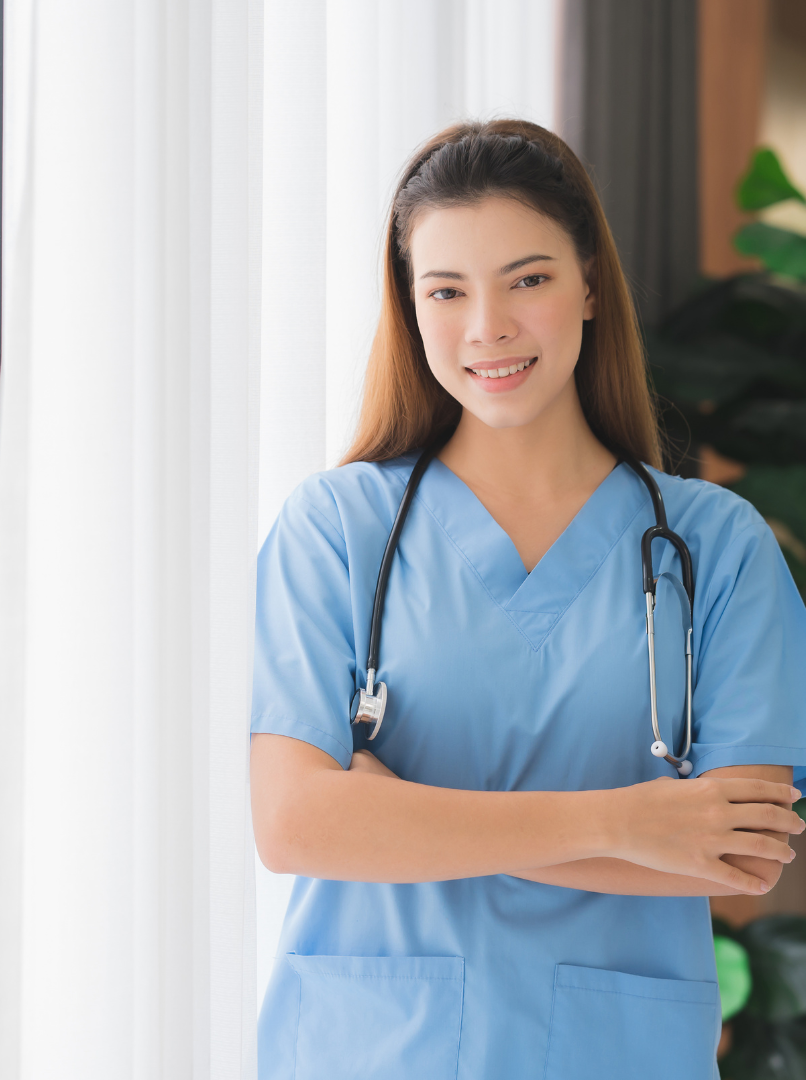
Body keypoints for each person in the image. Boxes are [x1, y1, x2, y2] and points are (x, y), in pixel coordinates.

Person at [248, 119, 806, 1080]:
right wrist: (622, 825)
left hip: (615, 1053)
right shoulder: (336, 529)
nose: (487, 327)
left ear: (590, 283)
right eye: (447, 291)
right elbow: (296, 826)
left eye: (529, 279)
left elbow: (739, 854)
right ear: (411, 309)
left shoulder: (717, 548)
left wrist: (395, 813)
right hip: (377, 1050)